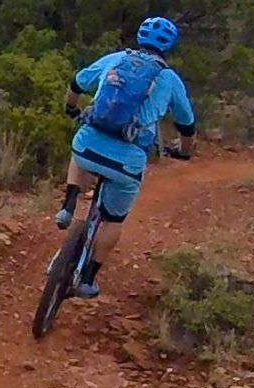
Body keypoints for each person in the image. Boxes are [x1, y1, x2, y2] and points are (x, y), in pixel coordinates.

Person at [52, 15, 196, 298]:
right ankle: (87, 280)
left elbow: (77, 82)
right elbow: (187, 124)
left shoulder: (116, 58)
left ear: (139, 37)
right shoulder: (169, 79)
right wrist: (185, 152)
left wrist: (71, 108)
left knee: (80, 149)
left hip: (90, 142)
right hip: (126, 160)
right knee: (113, 220)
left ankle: (68, 205)